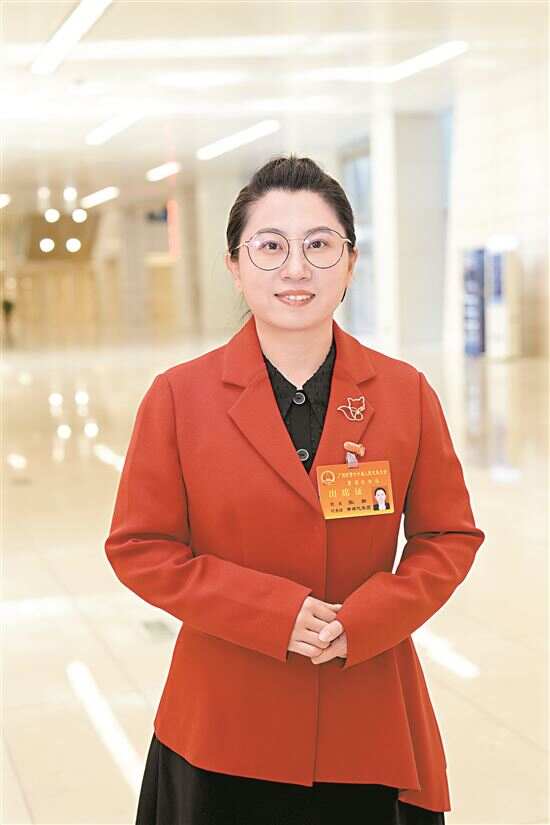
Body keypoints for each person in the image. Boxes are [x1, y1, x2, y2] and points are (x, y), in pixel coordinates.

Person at [104, 154, 485, 825]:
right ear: (234, 264)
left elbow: (447, 536)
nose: (296, 268)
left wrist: (367, 619)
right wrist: (271, 613)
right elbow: (141, 547)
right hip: (223, 722)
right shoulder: (179, 397)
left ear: (350, 262)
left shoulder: (405, 393)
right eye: (270, 246)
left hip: (366, 710)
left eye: (319, 244)